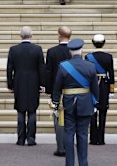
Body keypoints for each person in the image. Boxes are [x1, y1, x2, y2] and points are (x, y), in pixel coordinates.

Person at [52, 38, 99, 166]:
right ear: (81, 50)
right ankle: (83, 163)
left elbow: (57, 88)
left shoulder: (63, 66)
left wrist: (55, 103)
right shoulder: (90, 66)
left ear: (70, 51)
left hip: (68, 104)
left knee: (68, 133)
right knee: (83, 135)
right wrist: (95, 104)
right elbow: (95, 88)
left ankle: (70, 163)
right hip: (85, 104)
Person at [6, 26, 45, 146]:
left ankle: (21, 138)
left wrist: (10, 84)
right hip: (34, 81)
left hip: (19, 81)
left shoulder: (13, 49)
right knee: (32, 111)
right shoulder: (37, 49)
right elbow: (41, 68)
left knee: (20, 111)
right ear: (31, 35)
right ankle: (31, 138)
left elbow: (9, 68)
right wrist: (42, 84)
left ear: (20, 35)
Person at [45, 26, 72, 157]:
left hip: (57, 90)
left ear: (59, 35)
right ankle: (69, 146)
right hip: (72, 90)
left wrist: (49, 91)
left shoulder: (52, 51)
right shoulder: (74, 51)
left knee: (58, 120)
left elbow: (49, 72)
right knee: (71, 120)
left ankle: (61, 147)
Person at [85, 34, 114, 146]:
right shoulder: (108, 57)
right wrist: (111, 90)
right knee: (103, 113)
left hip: (92, 85)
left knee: (92, 112)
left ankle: (93, 138)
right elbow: (111, 74)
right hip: (104, 86)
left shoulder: (88, 57)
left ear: (93, 42)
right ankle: (101, 138)